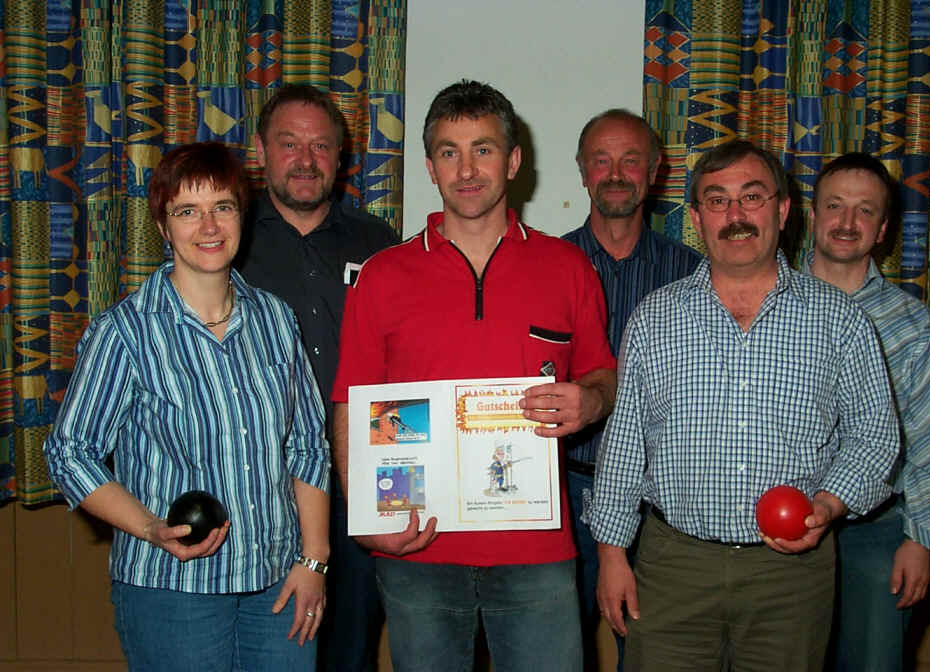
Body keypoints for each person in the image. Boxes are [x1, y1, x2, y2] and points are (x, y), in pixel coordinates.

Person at [332, 80, 618, 672]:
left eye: (482, 149)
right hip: (417, 544)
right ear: (430, 167)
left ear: (513, 161)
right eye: (449, 152)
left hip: (536, 547)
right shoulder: (382, 275)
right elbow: (351, 403)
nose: (466, 169)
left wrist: (590, 401)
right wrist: (364, 516)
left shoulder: (568, 268)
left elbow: (601, 374)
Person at [590, 139, 901, 671]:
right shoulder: (655, 318)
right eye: (717, 200)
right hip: (672, 566)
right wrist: (612, 554)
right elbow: (624, 448)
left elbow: (875, 438)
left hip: (791, 575)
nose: (736, 215)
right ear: (697, 218)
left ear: (782, 210)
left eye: (752, 197)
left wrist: (828, 505)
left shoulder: (840, 320)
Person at [43, 142, 331, 671]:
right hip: (172, 590)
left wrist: (314, 560)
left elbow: (308, 446)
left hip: (278, 585)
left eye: (222, 206)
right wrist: (151, 527)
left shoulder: (275, 319)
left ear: (242, 217)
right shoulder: (125, 332)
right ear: (163, 226)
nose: (209, 226)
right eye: (187, 211)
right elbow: (69, 453)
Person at [235, 84, 399, 672]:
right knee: (272, 647)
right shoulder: (226, 240)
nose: (306, 160)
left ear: (340, 156)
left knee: (351, 647)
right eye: (289, 144)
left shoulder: (379, 245)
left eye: (320, 146)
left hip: (362, 478)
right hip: (260, 484)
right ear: (261, 151)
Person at [562, 108, 701, 663]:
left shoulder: (695, 275)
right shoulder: (544, 266)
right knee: (556, 652)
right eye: (601, 160)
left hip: (657, 502)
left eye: (630, 160)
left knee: (651, 653)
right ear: (582, 171)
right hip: (562, 491)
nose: (616, 174)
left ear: (655, 170)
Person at [804, 153, 930, 672]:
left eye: (864, 211)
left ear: (883, 229)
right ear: (812, 216)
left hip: (875, 533)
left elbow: (928, 438)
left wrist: (920, 540)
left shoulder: (912, 325)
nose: (847, 222)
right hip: (783, 530)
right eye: (835, 206)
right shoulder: (766, 304)